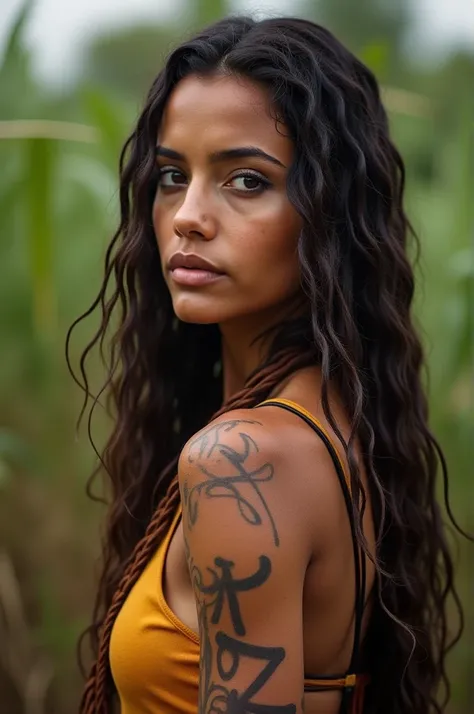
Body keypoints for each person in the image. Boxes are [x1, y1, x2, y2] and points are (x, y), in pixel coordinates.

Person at [67, 14, 468, 714]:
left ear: (329, 211)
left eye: (246, 180)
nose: (188, 215)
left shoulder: (240, 461)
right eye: (170, 175)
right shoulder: (340, 419)